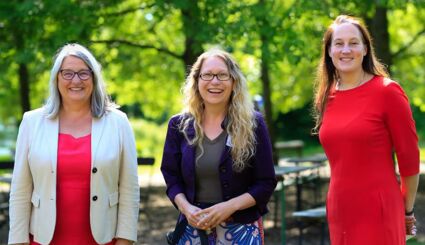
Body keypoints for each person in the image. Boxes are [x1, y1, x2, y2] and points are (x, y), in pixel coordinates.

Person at [8, 43, 139, 245]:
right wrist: (18, 241)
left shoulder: (118, 122)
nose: (76, 80)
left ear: (94, 78)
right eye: (67, 73)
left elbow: (130, 190)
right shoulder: (32, 122)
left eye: (84, 73)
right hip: (43, 239)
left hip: (103, 239)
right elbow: (20, 190)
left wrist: (125, 240)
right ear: (56, 78)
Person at [313, 15, 420, 244]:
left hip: (379, 208)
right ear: (329, 52)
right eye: (338, 43)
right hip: (339, 208)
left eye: (354, 42)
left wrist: (407, 210)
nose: (346, 50)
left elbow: (409, 160)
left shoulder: (387, 92)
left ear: (365, 49)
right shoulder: (327, 96)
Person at [161, 48, 277, 244]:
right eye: (207, 75)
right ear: (197, 81)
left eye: (222, 75)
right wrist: (187, 209)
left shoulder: (253, 124)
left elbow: (266, 182)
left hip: (241, 231)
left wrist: (229, 207)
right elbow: (171, 178)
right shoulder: (178, 126)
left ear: (234, 81)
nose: (215, 81)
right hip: (192, 230)